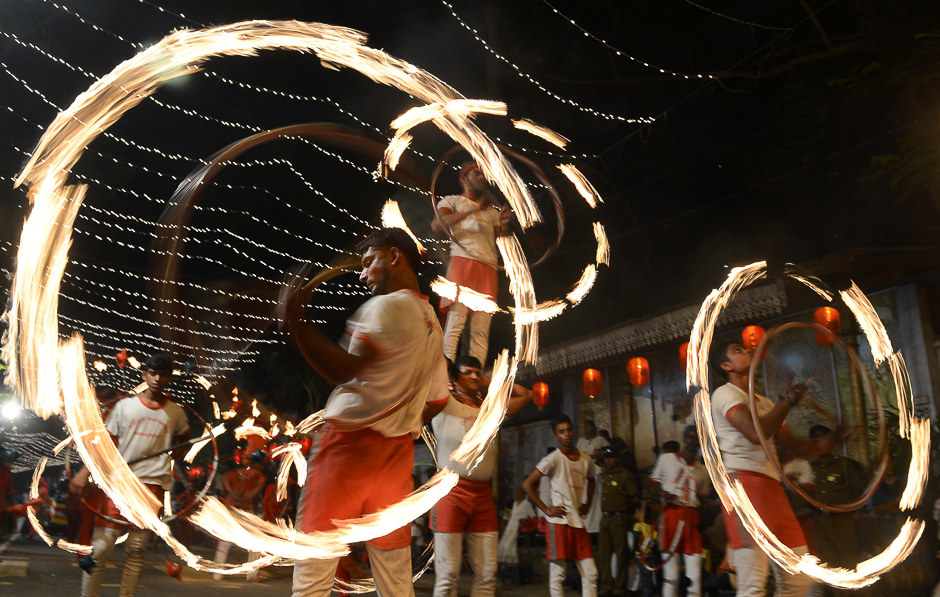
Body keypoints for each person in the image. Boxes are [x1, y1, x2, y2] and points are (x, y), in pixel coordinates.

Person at [279, 228, 450, 597]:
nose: (362, 273)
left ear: (393, 256)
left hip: (347, 452)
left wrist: (297, 323)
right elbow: (437, 400)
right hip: (396, 458)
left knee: (315, 566)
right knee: (393, 573)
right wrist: (398, 419)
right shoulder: (433, 322)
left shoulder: (384, 307)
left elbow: (345, 369)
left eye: (368, 261)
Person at [709, 340, 847, 597]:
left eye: (745, 348)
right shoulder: (724, 394)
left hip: (773, 490)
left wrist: (830, 440)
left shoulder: (765, 402)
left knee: (799, 580)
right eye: (737, 350)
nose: (748, 351)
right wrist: (788, 401)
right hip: (745, 489)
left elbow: (794, 446)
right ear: (726, 366)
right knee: (752, 584)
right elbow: (754, 433)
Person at [69, 354, 190, 597]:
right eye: (152, 373)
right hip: (121, 483)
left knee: (136, 548)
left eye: (163, 374)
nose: (157, 378)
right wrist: (84, 472)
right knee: (102, 547)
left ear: (168, 378)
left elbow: (185, 442)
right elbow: (107, 445)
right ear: (144, 375)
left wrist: (175, 452)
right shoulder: (125, 406)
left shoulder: (175, 412)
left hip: (152, 486)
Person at [429, 355, 533, 597]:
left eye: (478, 372)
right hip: (450, 494)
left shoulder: (490, 409)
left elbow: (525, 394)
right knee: (447, 577)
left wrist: (486, 381)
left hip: (483, 496)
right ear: (453, 378)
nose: (475, 376)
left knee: (487, 575)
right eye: (468, 372)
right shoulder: (442, 403)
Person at [432, 162, 512, 365]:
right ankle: (447, 373)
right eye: (476, 173)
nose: (481, 177)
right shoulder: (452, 201)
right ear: (463, 179)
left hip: (489, 267)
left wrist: (503, 226)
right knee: (456, 322)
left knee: (481, 330)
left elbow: (504, 243)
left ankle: (473, 379)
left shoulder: (492, 212)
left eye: (483, 174)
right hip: (463, 262)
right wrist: (474, 209)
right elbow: (437, 224)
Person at [522, 415, 598, 597]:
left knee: (591, 573)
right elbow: (527, 485)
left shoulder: (586, 460)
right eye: (561, 432)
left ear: (574, 431)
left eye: (569, 430)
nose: (566, 435)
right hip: (558, 523)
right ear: (556, 437)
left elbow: (592, 480)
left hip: (577, 522)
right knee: (558, 574)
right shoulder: (553, 458)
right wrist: (546, 509)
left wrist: (587, 503)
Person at [650, 425, 711, 597]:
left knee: (694, 577)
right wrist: (662, 493)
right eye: (690, 437)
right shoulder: (667, 459)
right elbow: (654, 483)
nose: (693, 441)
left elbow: (704, 500)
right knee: (671, 577)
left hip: (692, 521)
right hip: (671, 517)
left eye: (696, 437)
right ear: (684, 438)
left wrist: (702, 526)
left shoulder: (703, 470)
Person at [809, 424, 865, 578]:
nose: (818, 445)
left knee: (848, 567)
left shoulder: (844, 465)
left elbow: (859, 491)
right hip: (820, 521)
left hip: (842, 520)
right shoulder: (809, 467)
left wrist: (854, 514)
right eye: (814, 442)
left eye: (821, 441)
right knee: (830, 568)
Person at [212, 450, 268, 581]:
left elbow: (223, 477)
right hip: (243, 511)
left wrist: (231, 492)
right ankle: (252, 575)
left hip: (229, 509)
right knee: (255, 543)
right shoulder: (260, 476)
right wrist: (243, 497)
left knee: (224, 542)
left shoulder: (235, 472)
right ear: (259, 464)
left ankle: (217, 574)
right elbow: (249, 496)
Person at [597, 446, 638, 597]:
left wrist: (630, 516)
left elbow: (634, 498)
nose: (608, 460)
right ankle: (607, 586)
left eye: (612, 457)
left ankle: (619, 588)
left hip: (619, 517)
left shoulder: (625, 475)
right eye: (606, 458)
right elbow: (596, 462)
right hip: (605, 518)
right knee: (603, 554)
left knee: (621, 555)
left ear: (618, 458)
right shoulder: (605, 474)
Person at [577, 420, 609, 543]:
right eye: (583, 427)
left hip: (597, 475)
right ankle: (588, 529)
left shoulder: (600, 440)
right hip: (585, 476)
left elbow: (608, 451)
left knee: (598, 502)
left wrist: (598, 455)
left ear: (593, 428)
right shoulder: (581, 441)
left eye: (587, 427)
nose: (585, 429)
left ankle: (598, 529)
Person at [497, 487, 536, 565]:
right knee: (501, 546)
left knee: (509, 546)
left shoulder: (527, 504)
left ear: (524, 494)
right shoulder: (513, 504)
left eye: (519, 492)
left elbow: (533, 517)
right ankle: (504, 567)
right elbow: (507, 516)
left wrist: (524, 520)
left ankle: (511, 565)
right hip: (509, 528)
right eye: (516, 492)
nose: (517, 494)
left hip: (517, 528)